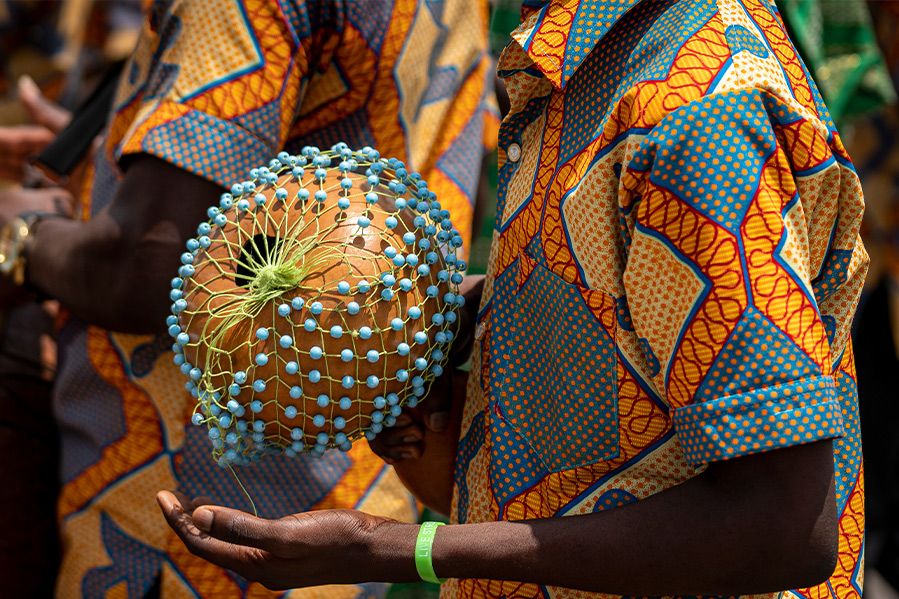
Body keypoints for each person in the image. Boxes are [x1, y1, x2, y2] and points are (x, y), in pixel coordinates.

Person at [158, 0, 870, 597]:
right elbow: (627, 334)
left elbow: (782, 523)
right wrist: (452, 327)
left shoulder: (690, 112)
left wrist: (400, 546)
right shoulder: (583, 67)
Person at [0, 1, 494, 597]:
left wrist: (17, 235)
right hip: (348, 516)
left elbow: (147, 267)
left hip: (183, 532)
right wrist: (114, 169)